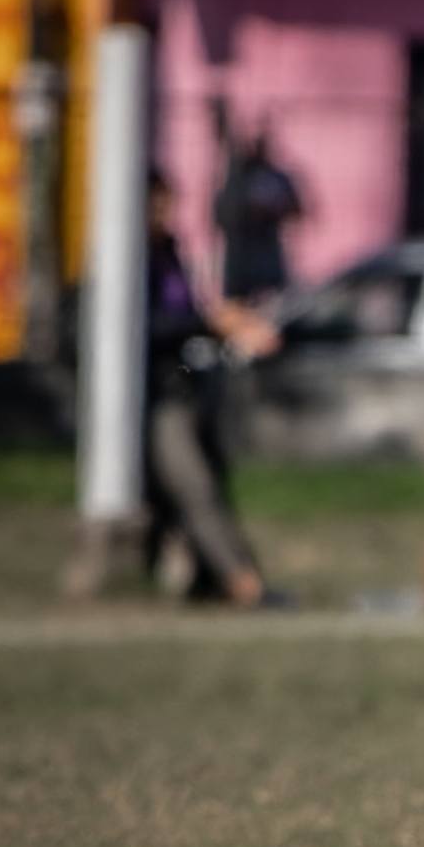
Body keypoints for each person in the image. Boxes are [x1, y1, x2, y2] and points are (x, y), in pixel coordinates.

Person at [143, 169, 284, 608]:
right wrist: (212, 322)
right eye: (158, 204)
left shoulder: (168, 251)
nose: (166, 213)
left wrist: (226, 321)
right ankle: (242, 583)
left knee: (209, 482)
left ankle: (213, 578)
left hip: (183, 385)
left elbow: (186, 314)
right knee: (192, 485)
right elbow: (139, 327)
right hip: (150, 397)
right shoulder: (123, 258)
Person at [215, 126, 304, 304]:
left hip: (269, 260)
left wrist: (273, 209)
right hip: (240, 262)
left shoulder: (277, 178)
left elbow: (298, 210)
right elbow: (220, 217)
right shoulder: (235, 181)